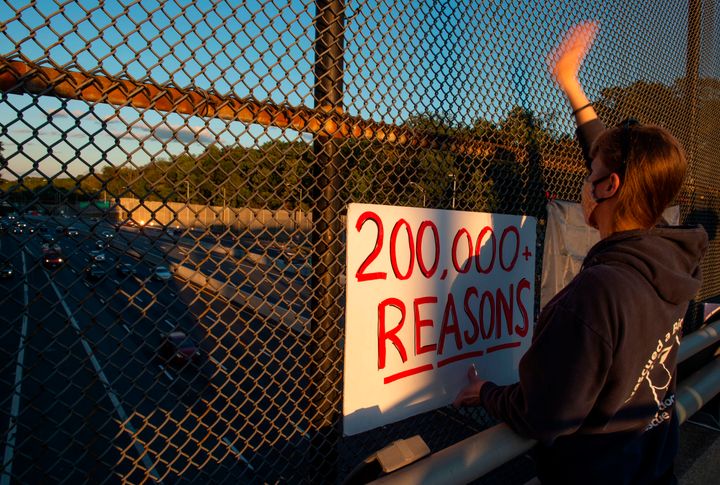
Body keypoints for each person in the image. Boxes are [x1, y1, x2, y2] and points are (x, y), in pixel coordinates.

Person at [453, 22, 708, 484]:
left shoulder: (594, 295)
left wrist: (486, 392)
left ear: (608, 185)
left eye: (591, 171)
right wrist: (572, 86)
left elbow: (545, 413)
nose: (586, 181)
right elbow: (619, 165)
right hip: (652, 466)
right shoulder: (672, 258)